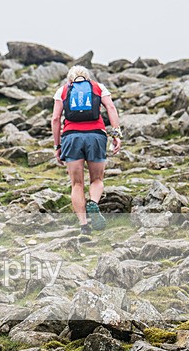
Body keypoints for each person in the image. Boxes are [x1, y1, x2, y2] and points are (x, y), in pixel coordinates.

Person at [51, 65, 122, 234]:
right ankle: (94, 203)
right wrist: (116, 134)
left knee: (77, 184)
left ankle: (84, 225)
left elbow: (55, 118)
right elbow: (111, 108)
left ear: (70, 79)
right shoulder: (98, 87)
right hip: (96, 136)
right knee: (97, 179)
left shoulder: (62, 90)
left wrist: (57, 145)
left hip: (71, 137)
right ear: (87, 78)